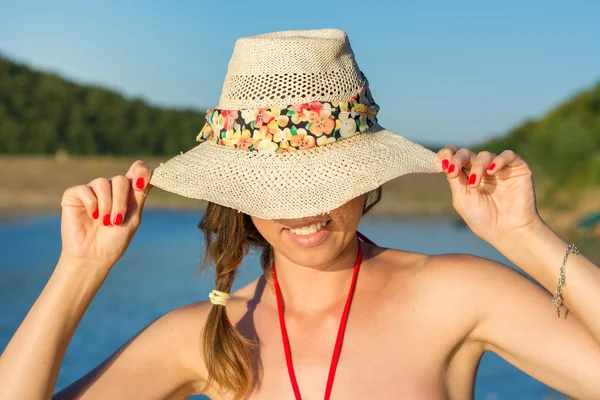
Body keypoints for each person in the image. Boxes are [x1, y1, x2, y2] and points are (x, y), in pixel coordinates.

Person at [1, 29, 599, 400]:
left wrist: (524, 235)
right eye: (275, 185)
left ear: (367, 180)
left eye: (326, 180)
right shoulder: (207, 338)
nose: (305, 209)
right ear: (237, 193)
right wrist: (79, 269)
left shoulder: (453, 293)